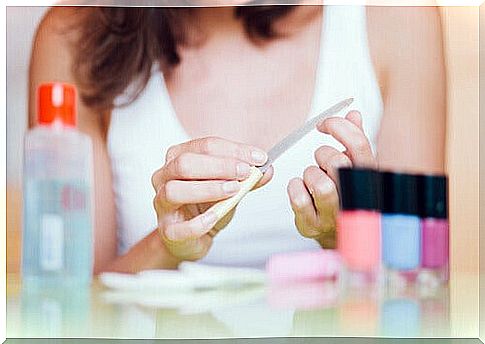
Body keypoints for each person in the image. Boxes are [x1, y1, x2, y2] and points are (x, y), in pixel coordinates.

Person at [29, 4, 446, 273]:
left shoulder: (399, 18)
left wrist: (352, 236)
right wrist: (168, 246)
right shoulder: (74, 36)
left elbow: (426, 287)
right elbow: (68, 309)